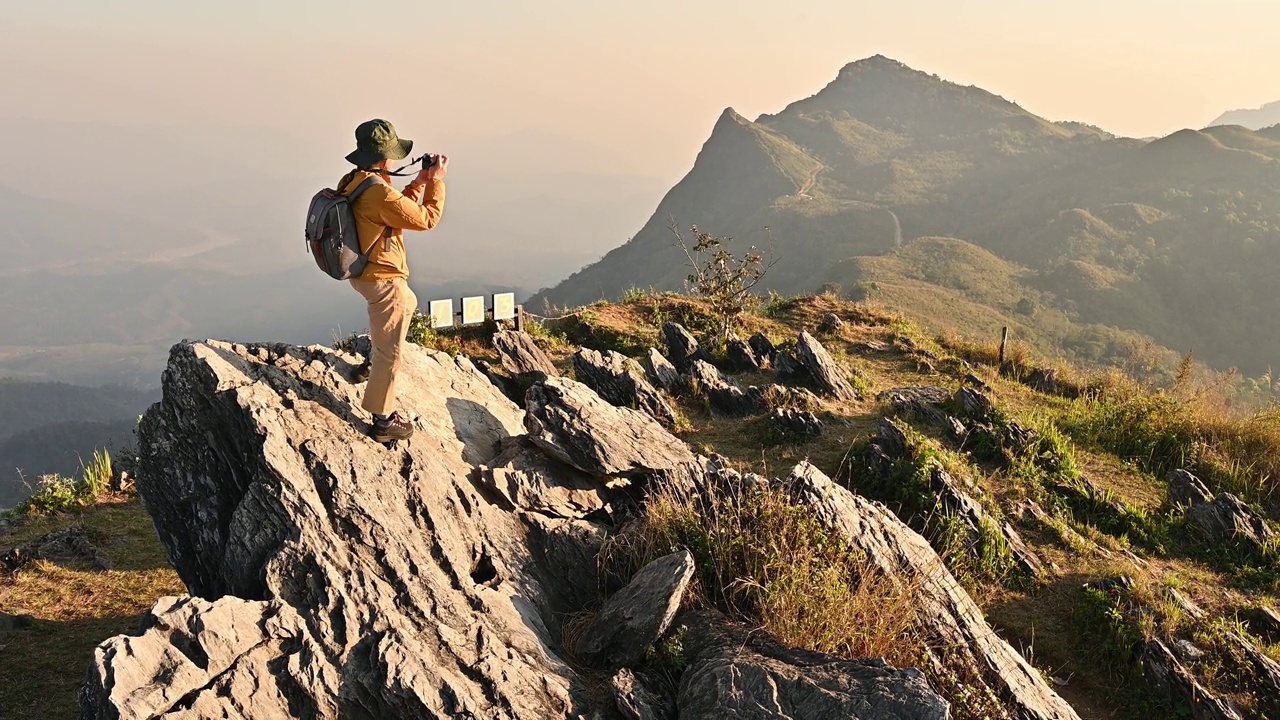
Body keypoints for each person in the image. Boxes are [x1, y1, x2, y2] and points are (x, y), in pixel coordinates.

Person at [339, 118, 448, 442]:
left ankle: (370, 363)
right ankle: (384, 421)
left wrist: (418, 180)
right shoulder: (378, 193)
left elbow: (392, 206)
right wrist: (436, 182)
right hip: (384, 279)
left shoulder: (357, 179)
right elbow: (427, 219)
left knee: (408, 303)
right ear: (385, 156)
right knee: (392, 351)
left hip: (365, 275)